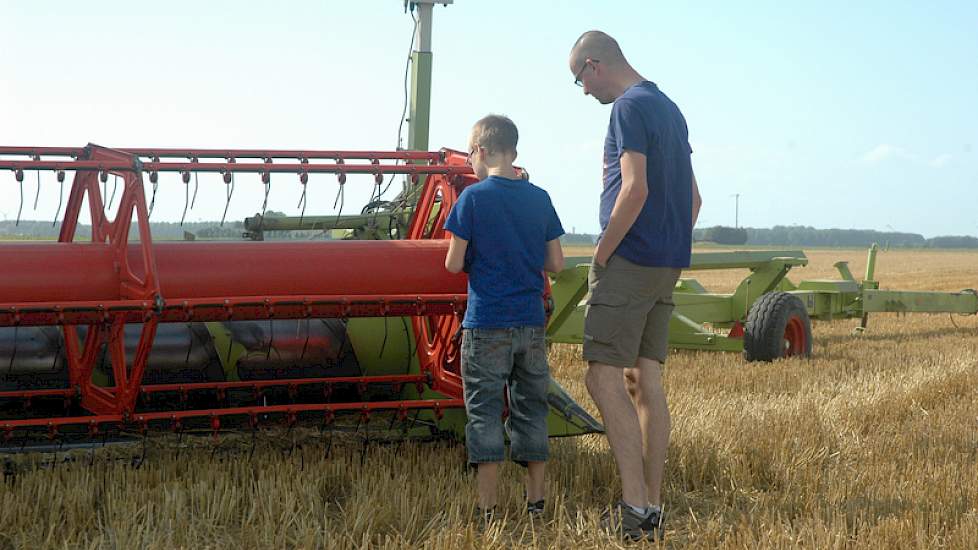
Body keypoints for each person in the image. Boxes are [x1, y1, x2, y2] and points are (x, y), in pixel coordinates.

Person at [569, 30, 702, 541]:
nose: (582, 91)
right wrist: (668, 249)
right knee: (643, 381)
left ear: (595, 64)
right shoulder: (670, 108)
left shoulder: (627, 107)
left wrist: (604, 251)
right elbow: (693, 200)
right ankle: (652, 505)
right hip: (667, 261)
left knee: (600, 378)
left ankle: (634, 509)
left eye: (578, 78)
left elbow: (635, 187)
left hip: (629, 261)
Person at [443, 114, 566, 521]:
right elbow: (557, 263)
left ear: (479, 151)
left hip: (486, 323)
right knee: (531, 409)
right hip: (530, 323)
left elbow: (453, 263)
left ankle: (488, 509)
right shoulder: (540, 198)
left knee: (484, 412)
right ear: (513, 150)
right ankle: (535, 504)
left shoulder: (473, 199)